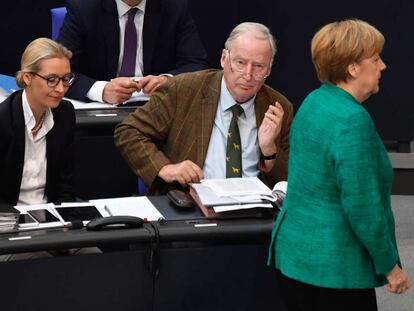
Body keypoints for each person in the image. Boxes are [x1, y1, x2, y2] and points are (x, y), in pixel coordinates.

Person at [268, 19, 410, 310]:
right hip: (332, 274)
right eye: (375, 59)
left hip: (294, 261)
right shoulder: (352, 120)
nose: (382, 66)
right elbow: (363, 206)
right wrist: (389, 265)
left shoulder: (313, 102)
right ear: (353, 68)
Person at [114, 22, 293, 194]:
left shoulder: (278, 107)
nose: (248, 74)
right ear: (224, 58)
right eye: (240, 63)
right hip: (191, 205)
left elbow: (291, 180)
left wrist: (269, 151)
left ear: (269, 70)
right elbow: (129, 131)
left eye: (258, 66)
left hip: (253, 214)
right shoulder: (184, 90)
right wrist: (164, 168)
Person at [57, 0, 209, 104]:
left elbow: (197, 63)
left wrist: (168, 81)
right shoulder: (84, 7)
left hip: (157, 110)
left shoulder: (173, 6)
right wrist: (101, 90)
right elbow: (58, 72)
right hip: (99, 112)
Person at [0, 37, 75, 209]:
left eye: (66, 79)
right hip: (7, 219)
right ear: (27, 78)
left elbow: (65, 185)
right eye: (51, 80)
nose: (60, 89)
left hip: (51, 217)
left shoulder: (65, 113)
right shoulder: (3, 120)